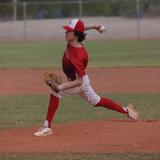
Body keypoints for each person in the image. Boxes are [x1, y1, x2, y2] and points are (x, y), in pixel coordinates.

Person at [34, 19, 140, 137]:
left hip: (78, 83)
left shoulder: (78, 55)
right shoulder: (73, 40)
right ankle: (127, 111)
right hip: (80, 80)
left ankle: (46, 127)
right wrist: (95, 26)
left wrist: (61, 86)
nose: (66, 33)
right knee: (96, 101)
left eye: (69, 31)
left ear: (75, 35)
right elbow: (81, 29)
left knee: (55, 92)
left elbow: (79, 81)